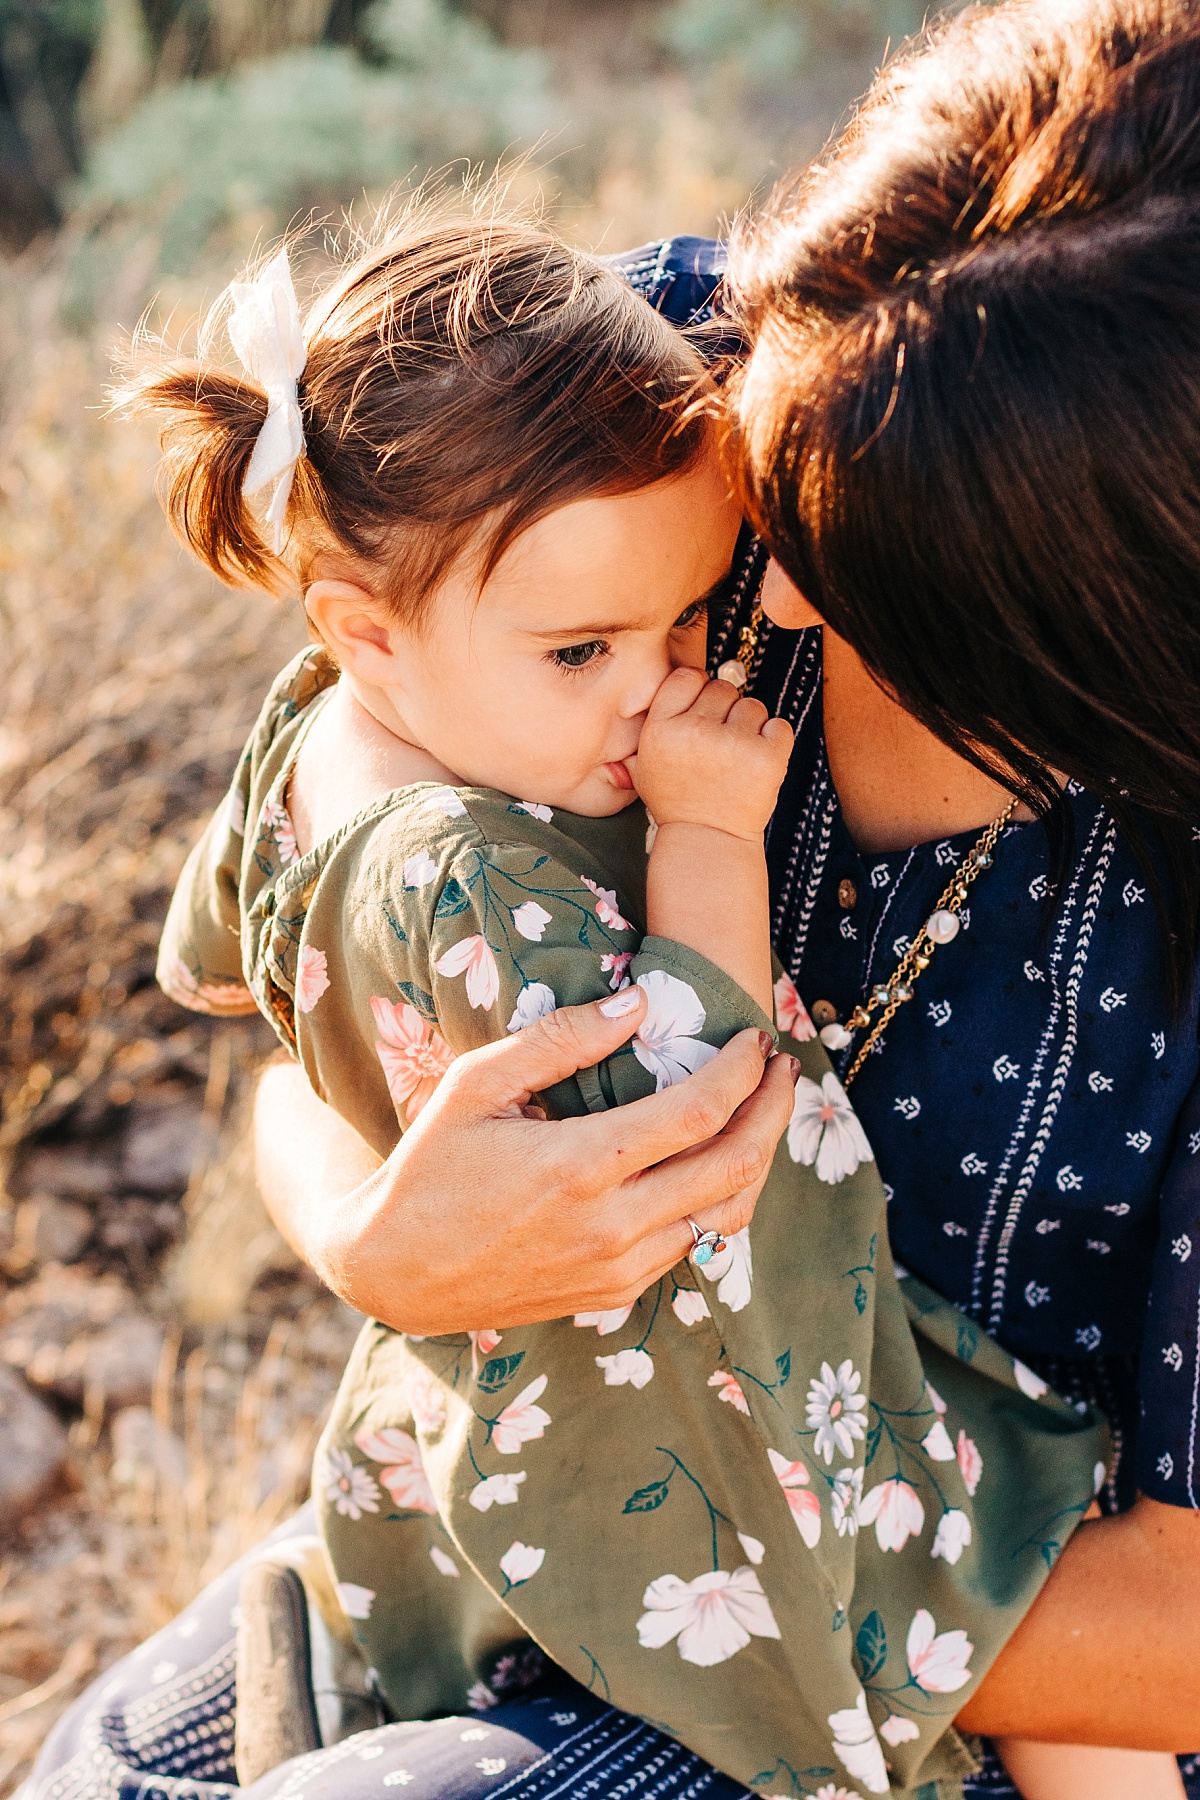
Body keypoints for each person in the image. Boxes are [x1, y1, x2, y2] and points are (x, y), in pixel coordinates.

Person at [20, 0, 1200, 1797]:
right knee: (105, 1768)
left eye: (859, 552)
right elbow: (333, 942)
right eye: (772, 477)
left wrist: (702, 1555)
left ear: (1099, 633)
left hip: (925, 1676)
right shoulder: (657, 408)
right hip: (503, 1485)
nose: (765, 611)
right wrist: (372, 1237)